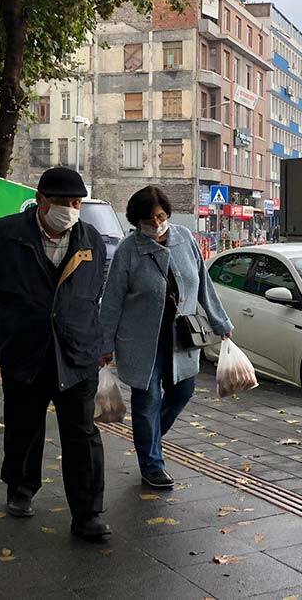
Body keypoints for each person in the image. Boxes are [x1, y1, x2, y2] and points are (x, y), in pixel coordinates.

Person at [0, 167, 112, 541]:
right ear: (41, 200)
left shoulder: (91, 239)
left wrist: (95, 340)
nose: (71, 209)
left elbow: (92, 292)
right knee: (24, 424)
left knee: (82, 434)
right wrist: (10, 327)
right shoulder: (6, 236)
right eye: (63, 202)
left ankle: (88, 514)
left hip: (76, 352)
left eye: (76, 202)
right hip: (26, 349)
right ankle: (21, 488)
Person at [101, 186, 234, 490]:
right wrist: (105, 344)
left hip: (181, 337)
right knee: (147, 401)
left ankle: (149, 439)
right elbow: (111, 301)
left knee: (183, 392)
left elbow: (204, 284)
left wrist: (220, 321)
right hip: (140, 339)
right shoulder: (128, 250)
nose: (156, 224)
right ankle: (151, 464)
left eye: (160, 216)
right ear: (137, 223)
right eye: (149, 221)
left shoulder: (185, 239)